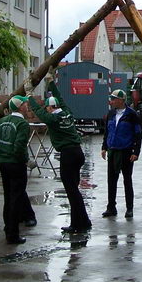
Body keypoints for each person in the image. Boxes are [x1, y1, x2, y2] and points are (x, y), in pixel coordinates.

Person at [30, 95, 92, 234]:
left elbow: (39, 113)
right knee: (74, 190)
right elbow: (62, 99)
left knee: (72, 192)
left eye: (47, 108)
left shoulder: (53, 119)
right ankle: (84, 221)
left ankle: (78, 224)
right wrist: (52, 82)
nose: (46, 110)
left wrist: (30, 97)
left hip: (68, 155)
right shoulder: (67, 113)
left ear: (51, 108)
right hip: (78, 152)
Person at [0, 95, 31, 244]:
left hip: (3, 163)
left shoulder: (2, 121)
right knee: (16, 198)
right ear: (20, 107)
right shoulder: (22, 124)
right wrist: (26, 161)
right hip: (16, 164)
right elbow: (19, 147)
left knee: (8, 196)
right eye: (25, 104)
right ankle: (13, 234)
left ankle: (7, 227)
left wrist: (1, 153)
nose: (27, 106)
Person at [101, 89, 142, 218]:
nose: (111, 101)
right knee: (111, 181)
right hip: (113, 151)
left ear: (121, 100)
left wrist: (136, 152)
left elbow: (138, 134)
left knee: (127, 180)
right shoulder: (111, 114)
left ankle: (129, 208)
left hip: (126, 151)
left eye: (113, 99)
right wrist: (104, 147)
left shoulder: (132, 115)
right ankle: (111, 207)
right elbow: (107, 132)